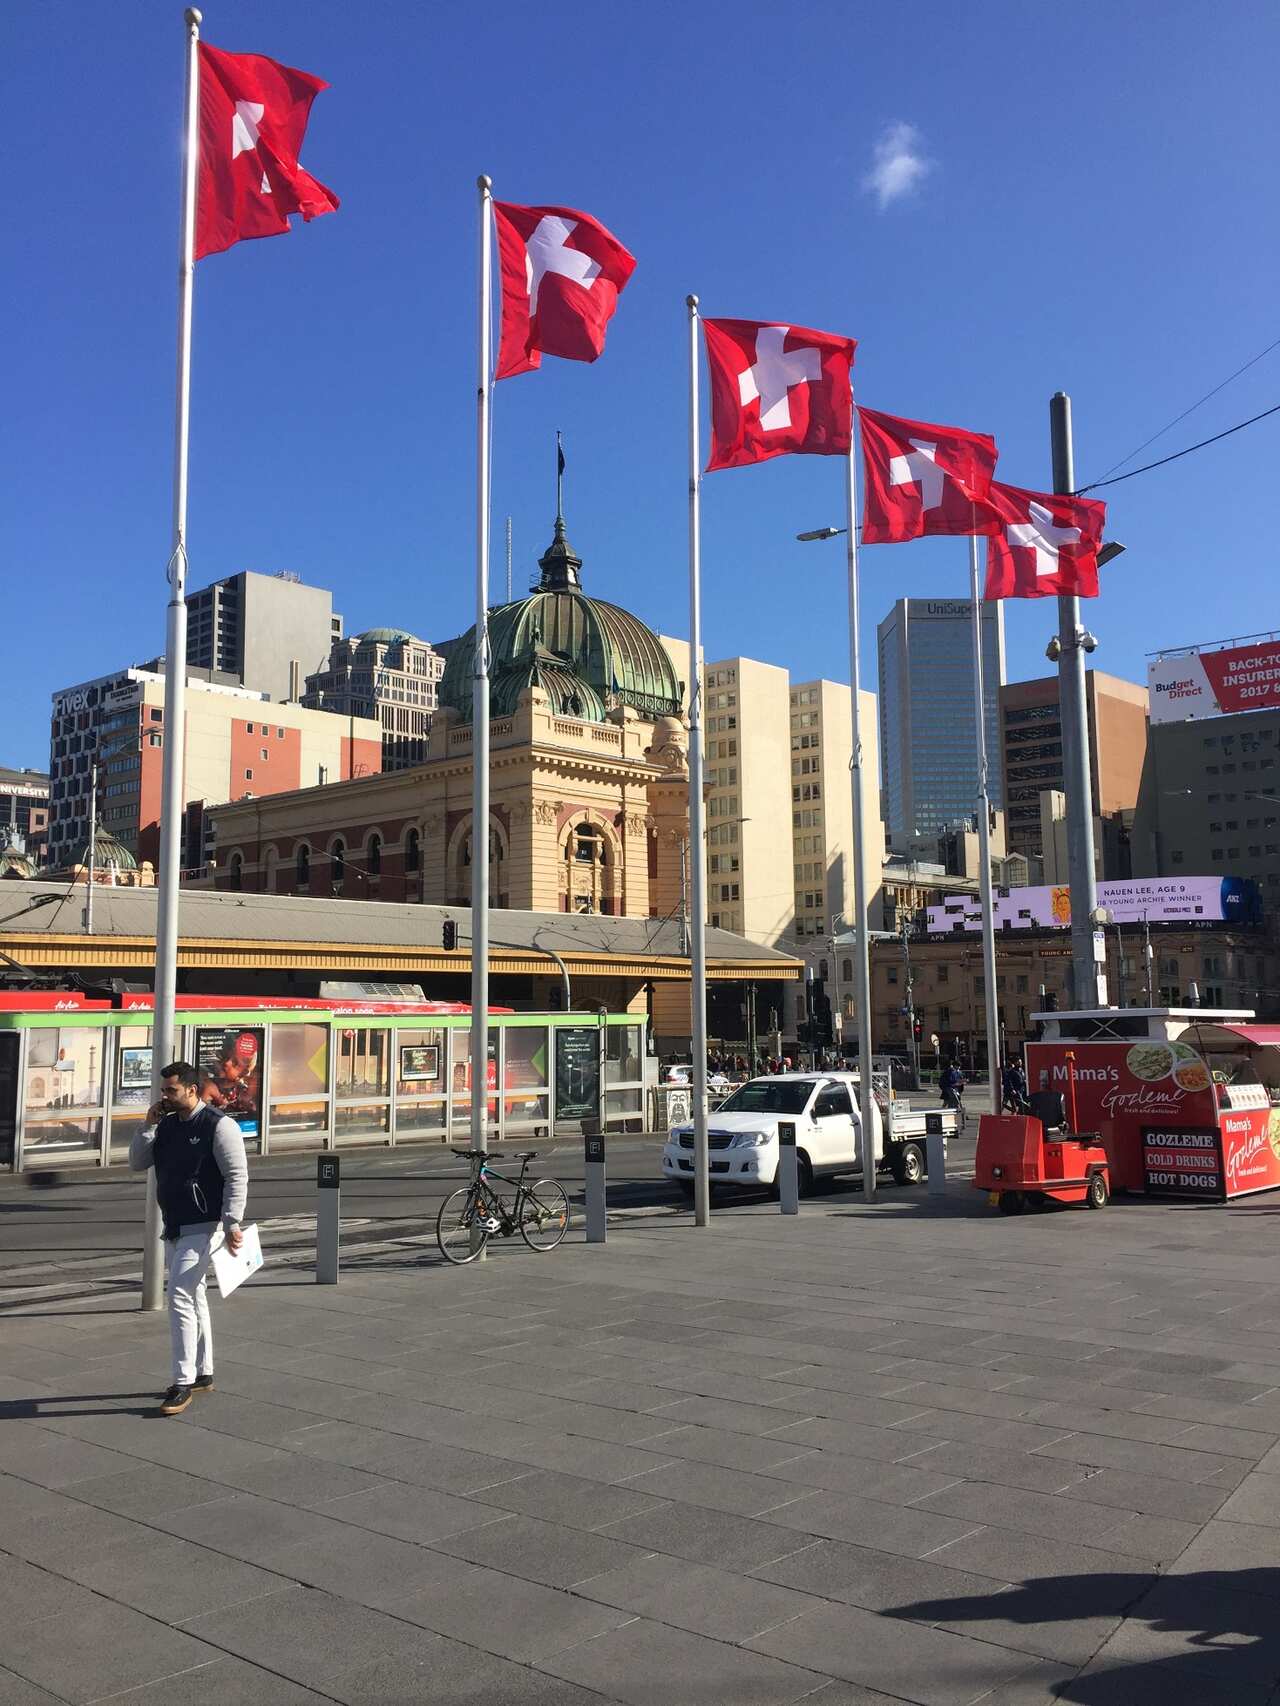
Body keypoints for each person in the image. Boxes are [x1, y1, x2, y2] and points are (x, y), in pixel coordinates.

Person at [130, 1061, 247, 1417]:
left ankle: (181, 1382)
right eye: (163, 1090)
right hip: (176, 1222)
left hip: (205, 1223)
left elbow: (236, 1175)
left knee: (178, 1293)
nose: (164, 1096)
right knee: (193, 1296)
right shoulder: (165, 1125)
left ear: (192, 1090)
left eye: (171, 1090)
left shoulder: (218, 1125)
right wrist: (147, 1125)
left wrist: (232, 1222)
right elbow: (137, 1162)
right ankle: (202, 1371)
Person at [940, 1060, 967, 1130]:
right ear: (955, 1066)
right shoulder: (951, 1072)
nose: (958, 1068)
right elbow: (951, 1081)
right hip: (951, 1089)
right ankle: (956, 1116)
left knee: (948, 1102)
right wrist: (958, 1083)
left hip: (951, 1089)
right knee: (954, 1102)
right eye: (958, 1066)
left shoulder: (955, 1072)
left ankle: (943, 1114)